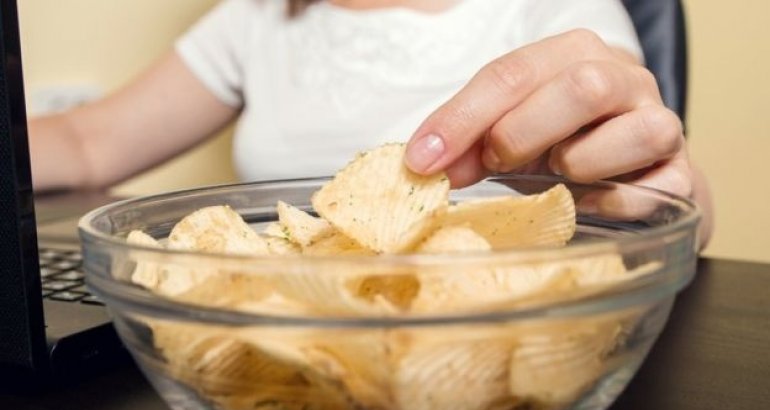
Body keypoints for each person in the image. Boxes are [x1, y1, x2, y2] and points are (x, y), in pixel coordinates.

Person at [28, 0, 713, 245]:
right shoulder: (258, 17)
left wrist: (662, 191)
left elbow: (675, 195)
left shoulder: (551, 8)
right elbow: (86, 143)